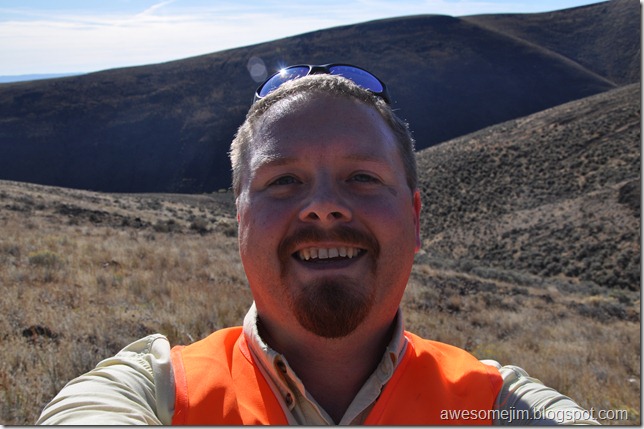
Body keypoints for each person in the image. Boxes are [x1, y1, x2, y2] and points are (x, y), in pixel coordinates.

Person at [37, 64, 598, 425]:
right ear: (240, 220)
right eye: (284, 180)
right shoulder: (154, 391)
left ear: (415, 218)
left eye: (363, 177)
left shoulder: (495, 403)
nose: (324, 205)